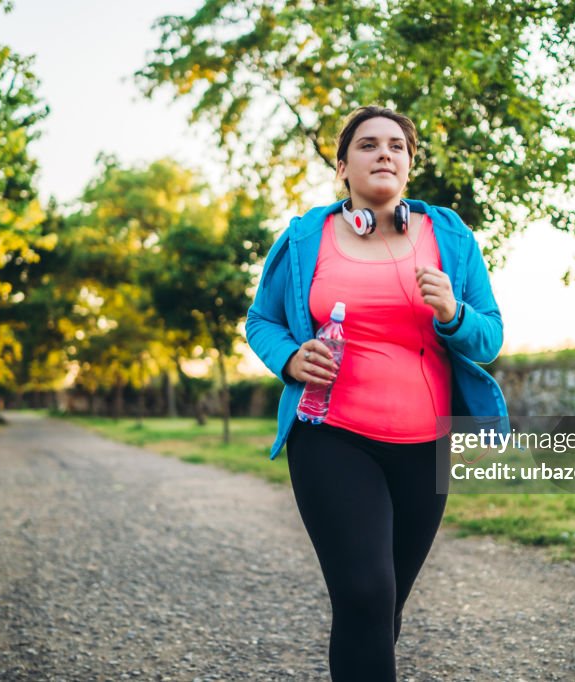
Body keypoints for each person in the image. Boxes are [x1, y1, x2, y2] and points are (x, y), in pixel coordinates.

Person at [245, 105, 508, 681]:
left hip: (425, 446)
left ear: (410, 165)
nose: (383, 153)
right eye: (367, 145)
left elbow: (489, 335)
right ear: (342, 166)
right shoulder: (304, 236)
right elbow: (260, 321)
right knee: (364, 592)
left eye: (396, 145)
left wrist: (452, 312)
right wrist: (290, 358)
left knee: (382, 607)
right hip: (331, 436)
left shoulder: (451, 236)